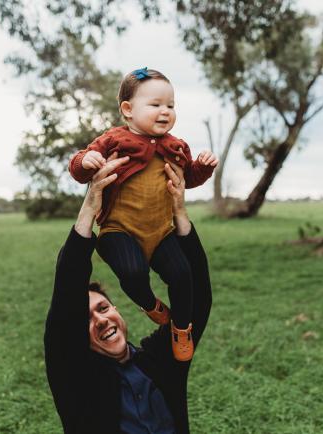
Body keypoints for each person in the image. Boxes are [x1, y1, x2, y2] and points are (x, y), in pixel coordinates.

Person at [45, 154, 212, 433]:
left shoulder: (162, 358)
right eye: (84, 320)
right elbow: (65, 300)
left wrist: (179, 212)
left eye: (103, 308)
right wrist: (90, 206)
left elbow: (199, 299)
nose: (100, 320)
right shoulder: (75, 377)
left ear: (118, 311)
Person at [68, 67, 218, 361]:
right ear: (128, 109)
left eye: (171, 105)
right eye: (155, 105)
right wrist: (86, 159)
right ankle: (149, 303)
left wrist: (204, 166)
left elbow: (190, 177)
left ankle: (181, 328)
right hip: (119, 231)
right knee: (133, 272)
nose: (165, 111)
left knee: (182, 274)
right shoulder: (113, 139)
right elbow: (77, 167)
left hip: (161, 232)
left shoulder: (176, 146)